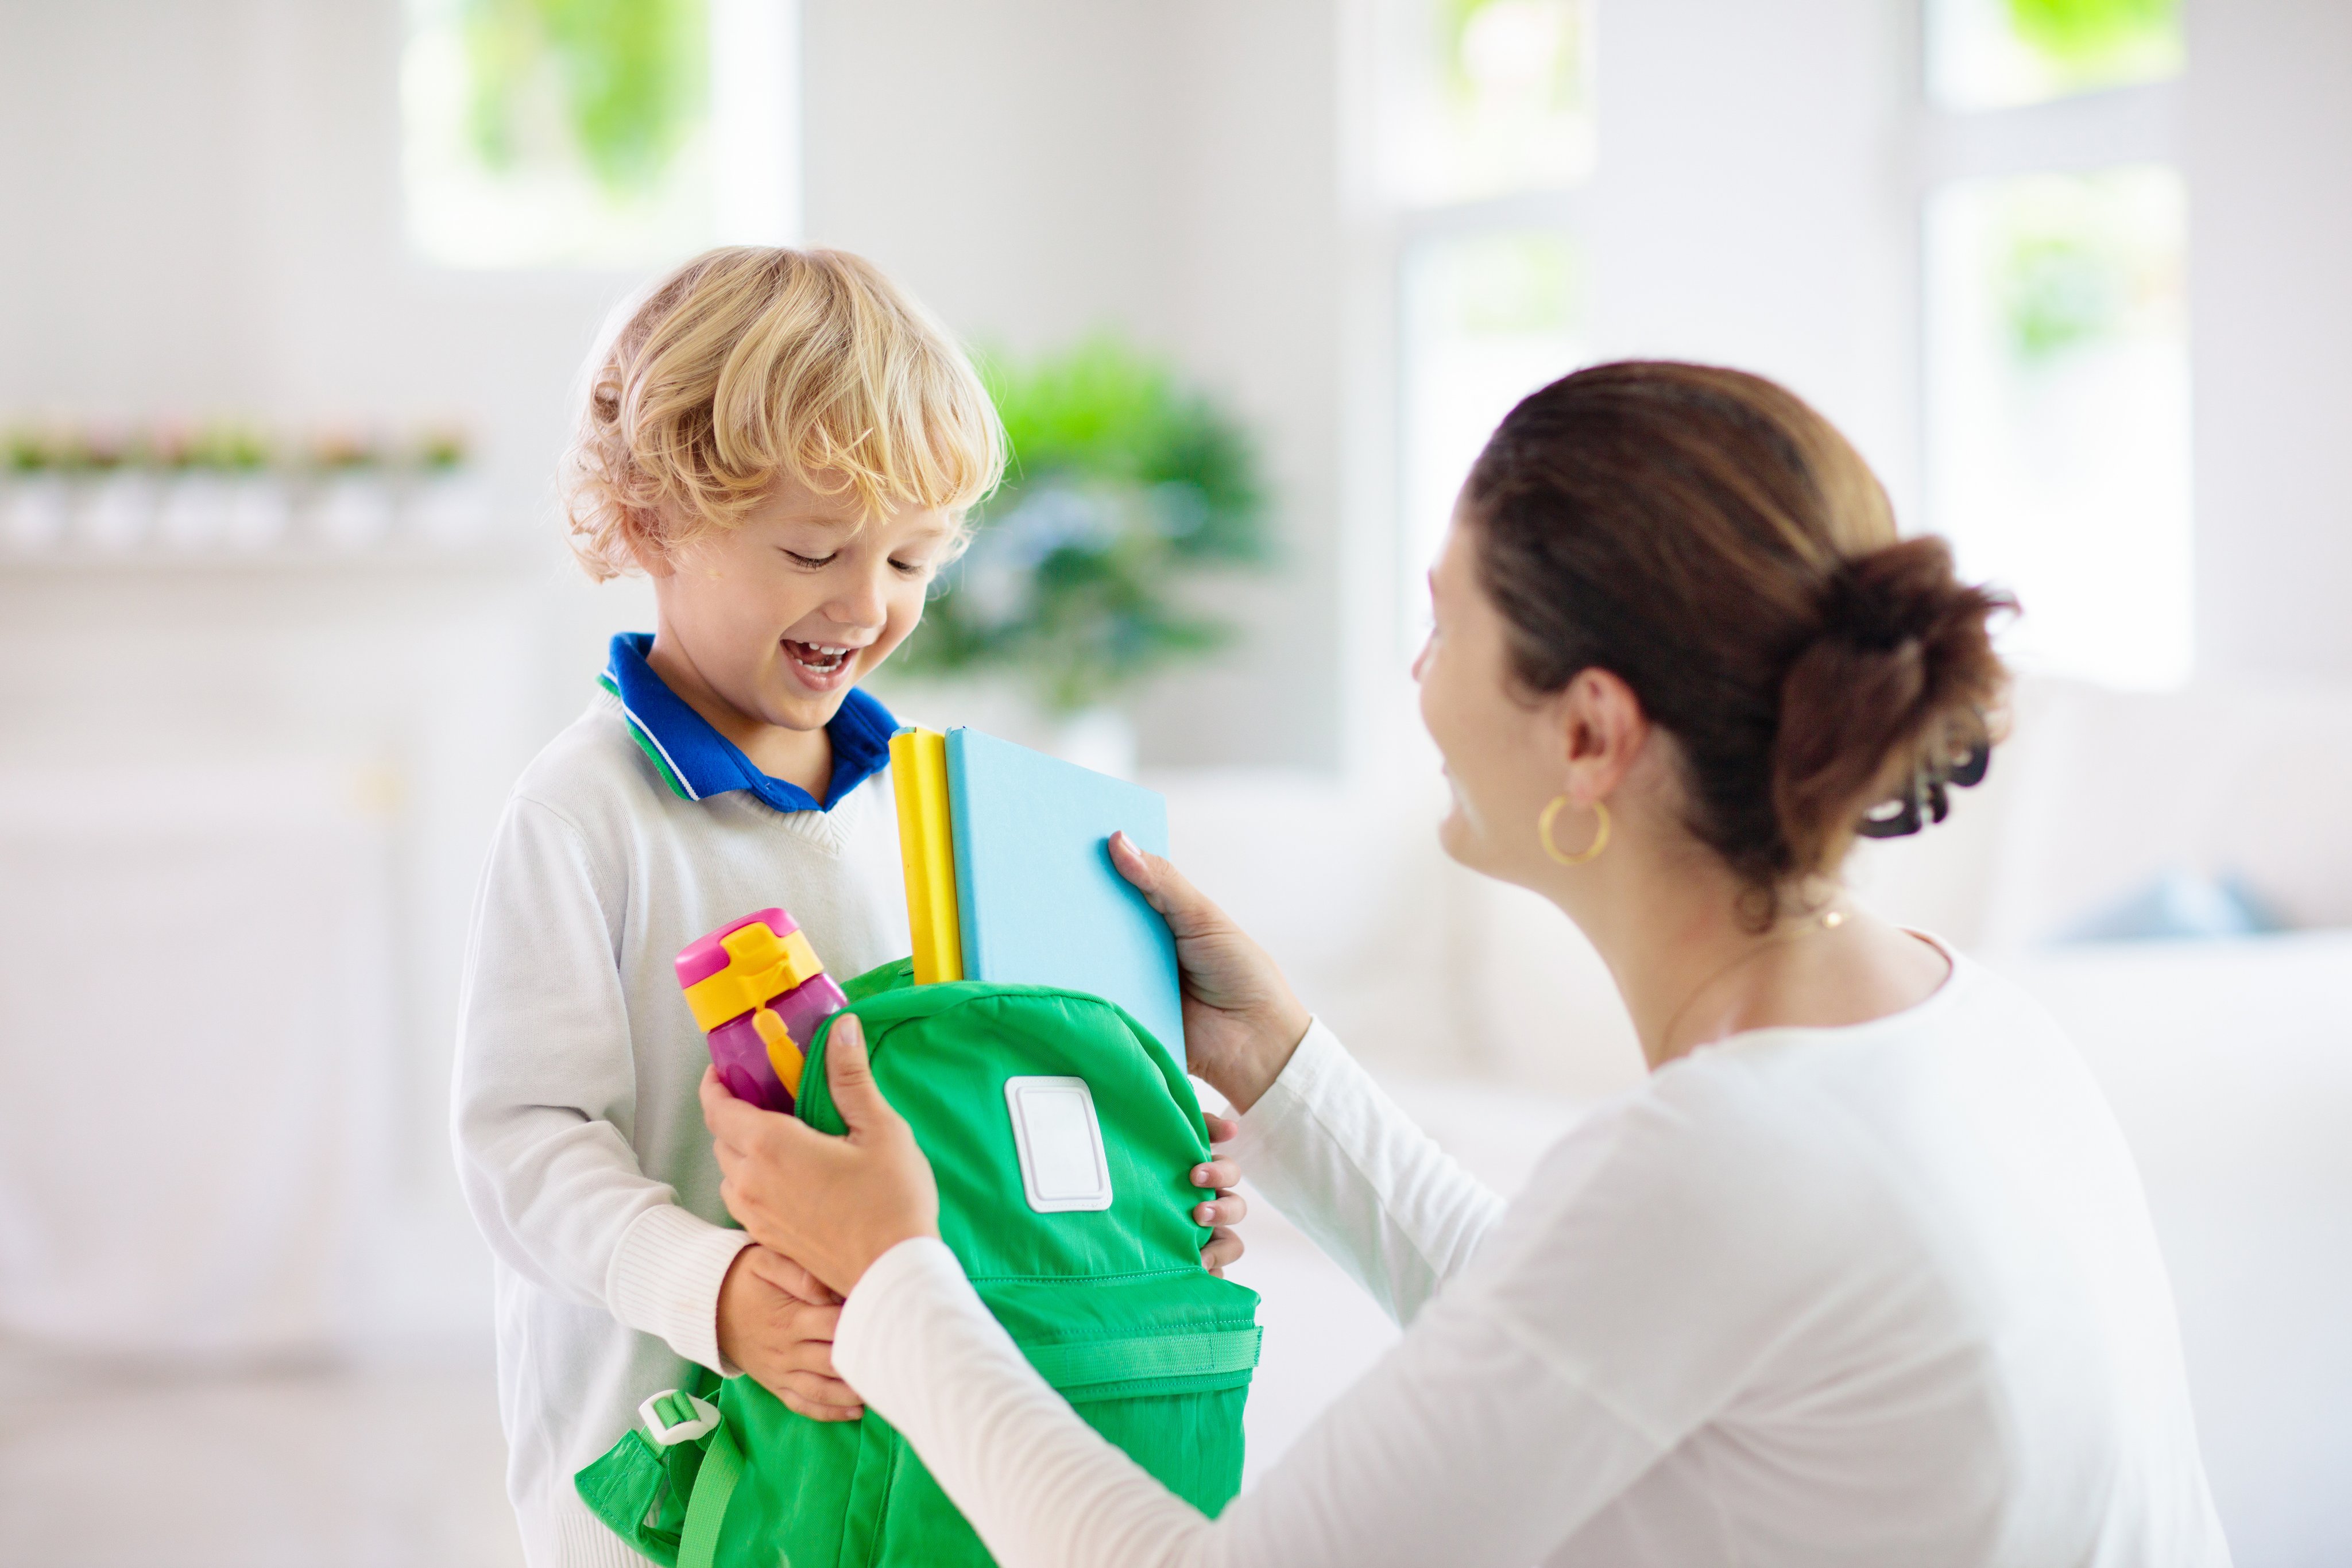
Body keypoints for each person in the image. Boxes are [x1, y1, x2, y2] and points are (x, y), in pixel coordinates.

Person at [701, 361, 2233, 1567]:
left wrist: (895, 1272)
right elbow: (1582, 1331)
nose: (1416, 683)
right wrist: (1282, 1066)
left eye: (1444, 626)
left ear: (1587, 731)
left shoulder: (1722, 1153)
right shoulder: (1962, 1026)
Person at [449, 245, 1249, 1566]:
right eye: (814, 548)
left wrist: (1145, 1186)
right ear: (651, 521)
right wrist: (706, 1286)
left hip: (889, 1467)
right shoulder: (581, 813)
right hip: (658, 1475)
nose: (865, 604)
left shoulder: (937, 811)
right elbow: (520, 1140)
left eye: (911, 559)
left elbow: (979, 1099)